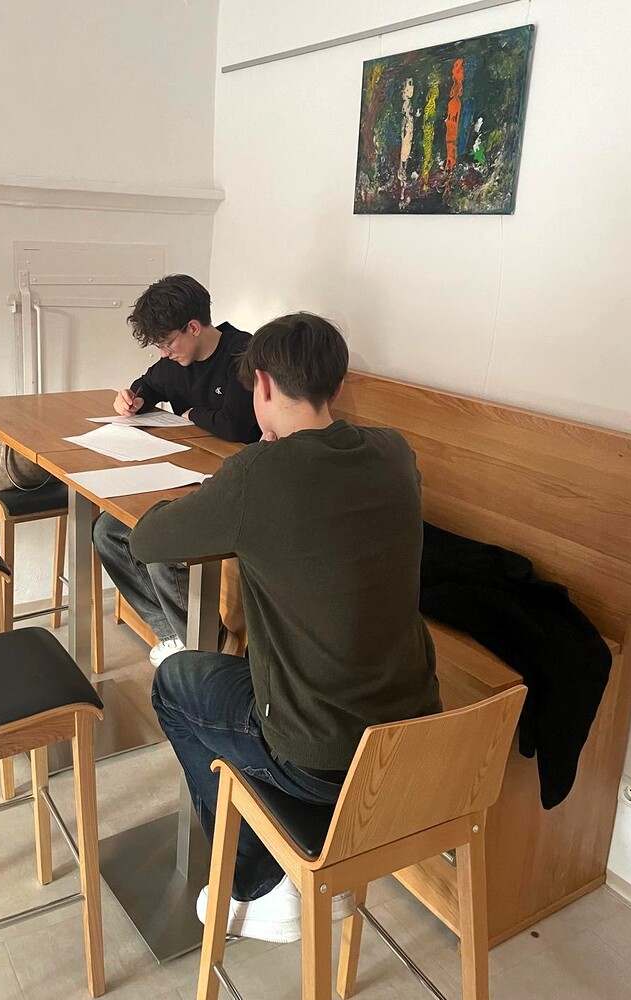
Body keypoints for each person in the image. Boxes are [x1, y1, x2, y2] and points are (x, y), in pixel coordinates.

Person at [130, 312, 442, 943]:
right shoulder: (394, 451)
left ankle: (254, 881)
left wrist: (208, 496)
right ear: (337, 384)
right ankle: (301, 846)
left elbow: (147, 541)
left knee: (175, 682)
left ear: (264, 384)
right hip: (415, 738)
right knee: (249, 667)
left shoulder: (258, 474)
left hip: (321, 755)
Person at [93, 274, 260, 666]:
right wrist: (131, 399)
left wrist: (190, 413)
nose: (164, 352)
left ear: (194, 327)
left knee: (161, 541)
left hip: (233, 481)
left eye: (168, 342)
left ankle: (205, 645)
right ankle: (179, 635)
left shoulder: (242, 353)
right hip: (183, 474)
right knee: (107, 531)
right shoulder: (176, 361)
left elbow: (237, 426)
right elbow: (149, 385)